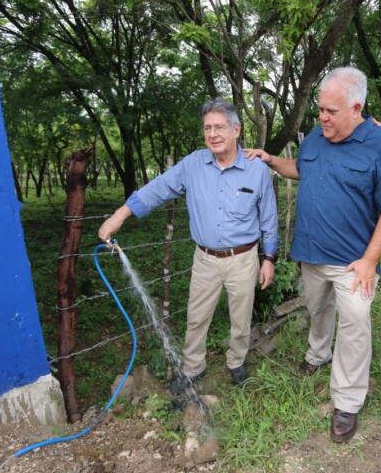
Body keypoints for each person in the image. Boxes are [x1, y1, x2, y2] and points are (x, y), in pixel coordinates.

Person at [245, 67, 381, 443]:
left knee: (354, 326)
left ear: (357, 107)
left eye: (331, 111)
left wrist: (369, 261)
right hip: (312, 252)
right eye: (320, 109)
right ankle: (317, 354)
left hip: (355, 262)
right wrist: (271, 159)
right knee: (318, 310)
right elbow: (301, 170)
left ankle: (348, 401)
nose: (322, 118)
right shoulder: (317, 138)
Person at [98, 98, 278, 388]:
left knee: (241, 319)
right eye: (208, 128)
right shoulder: (193, 164)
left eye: (219, 127)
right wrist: (121, 214)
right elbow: (159, 188)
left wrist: (268, 258)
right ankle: (194, 368)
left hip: (243, 258)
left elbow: (268, 217)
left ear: (236, 130)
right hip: (205, 258)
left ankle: (237, 362)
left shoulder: (257, 170)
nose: (213, 134)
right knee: (196, 318)